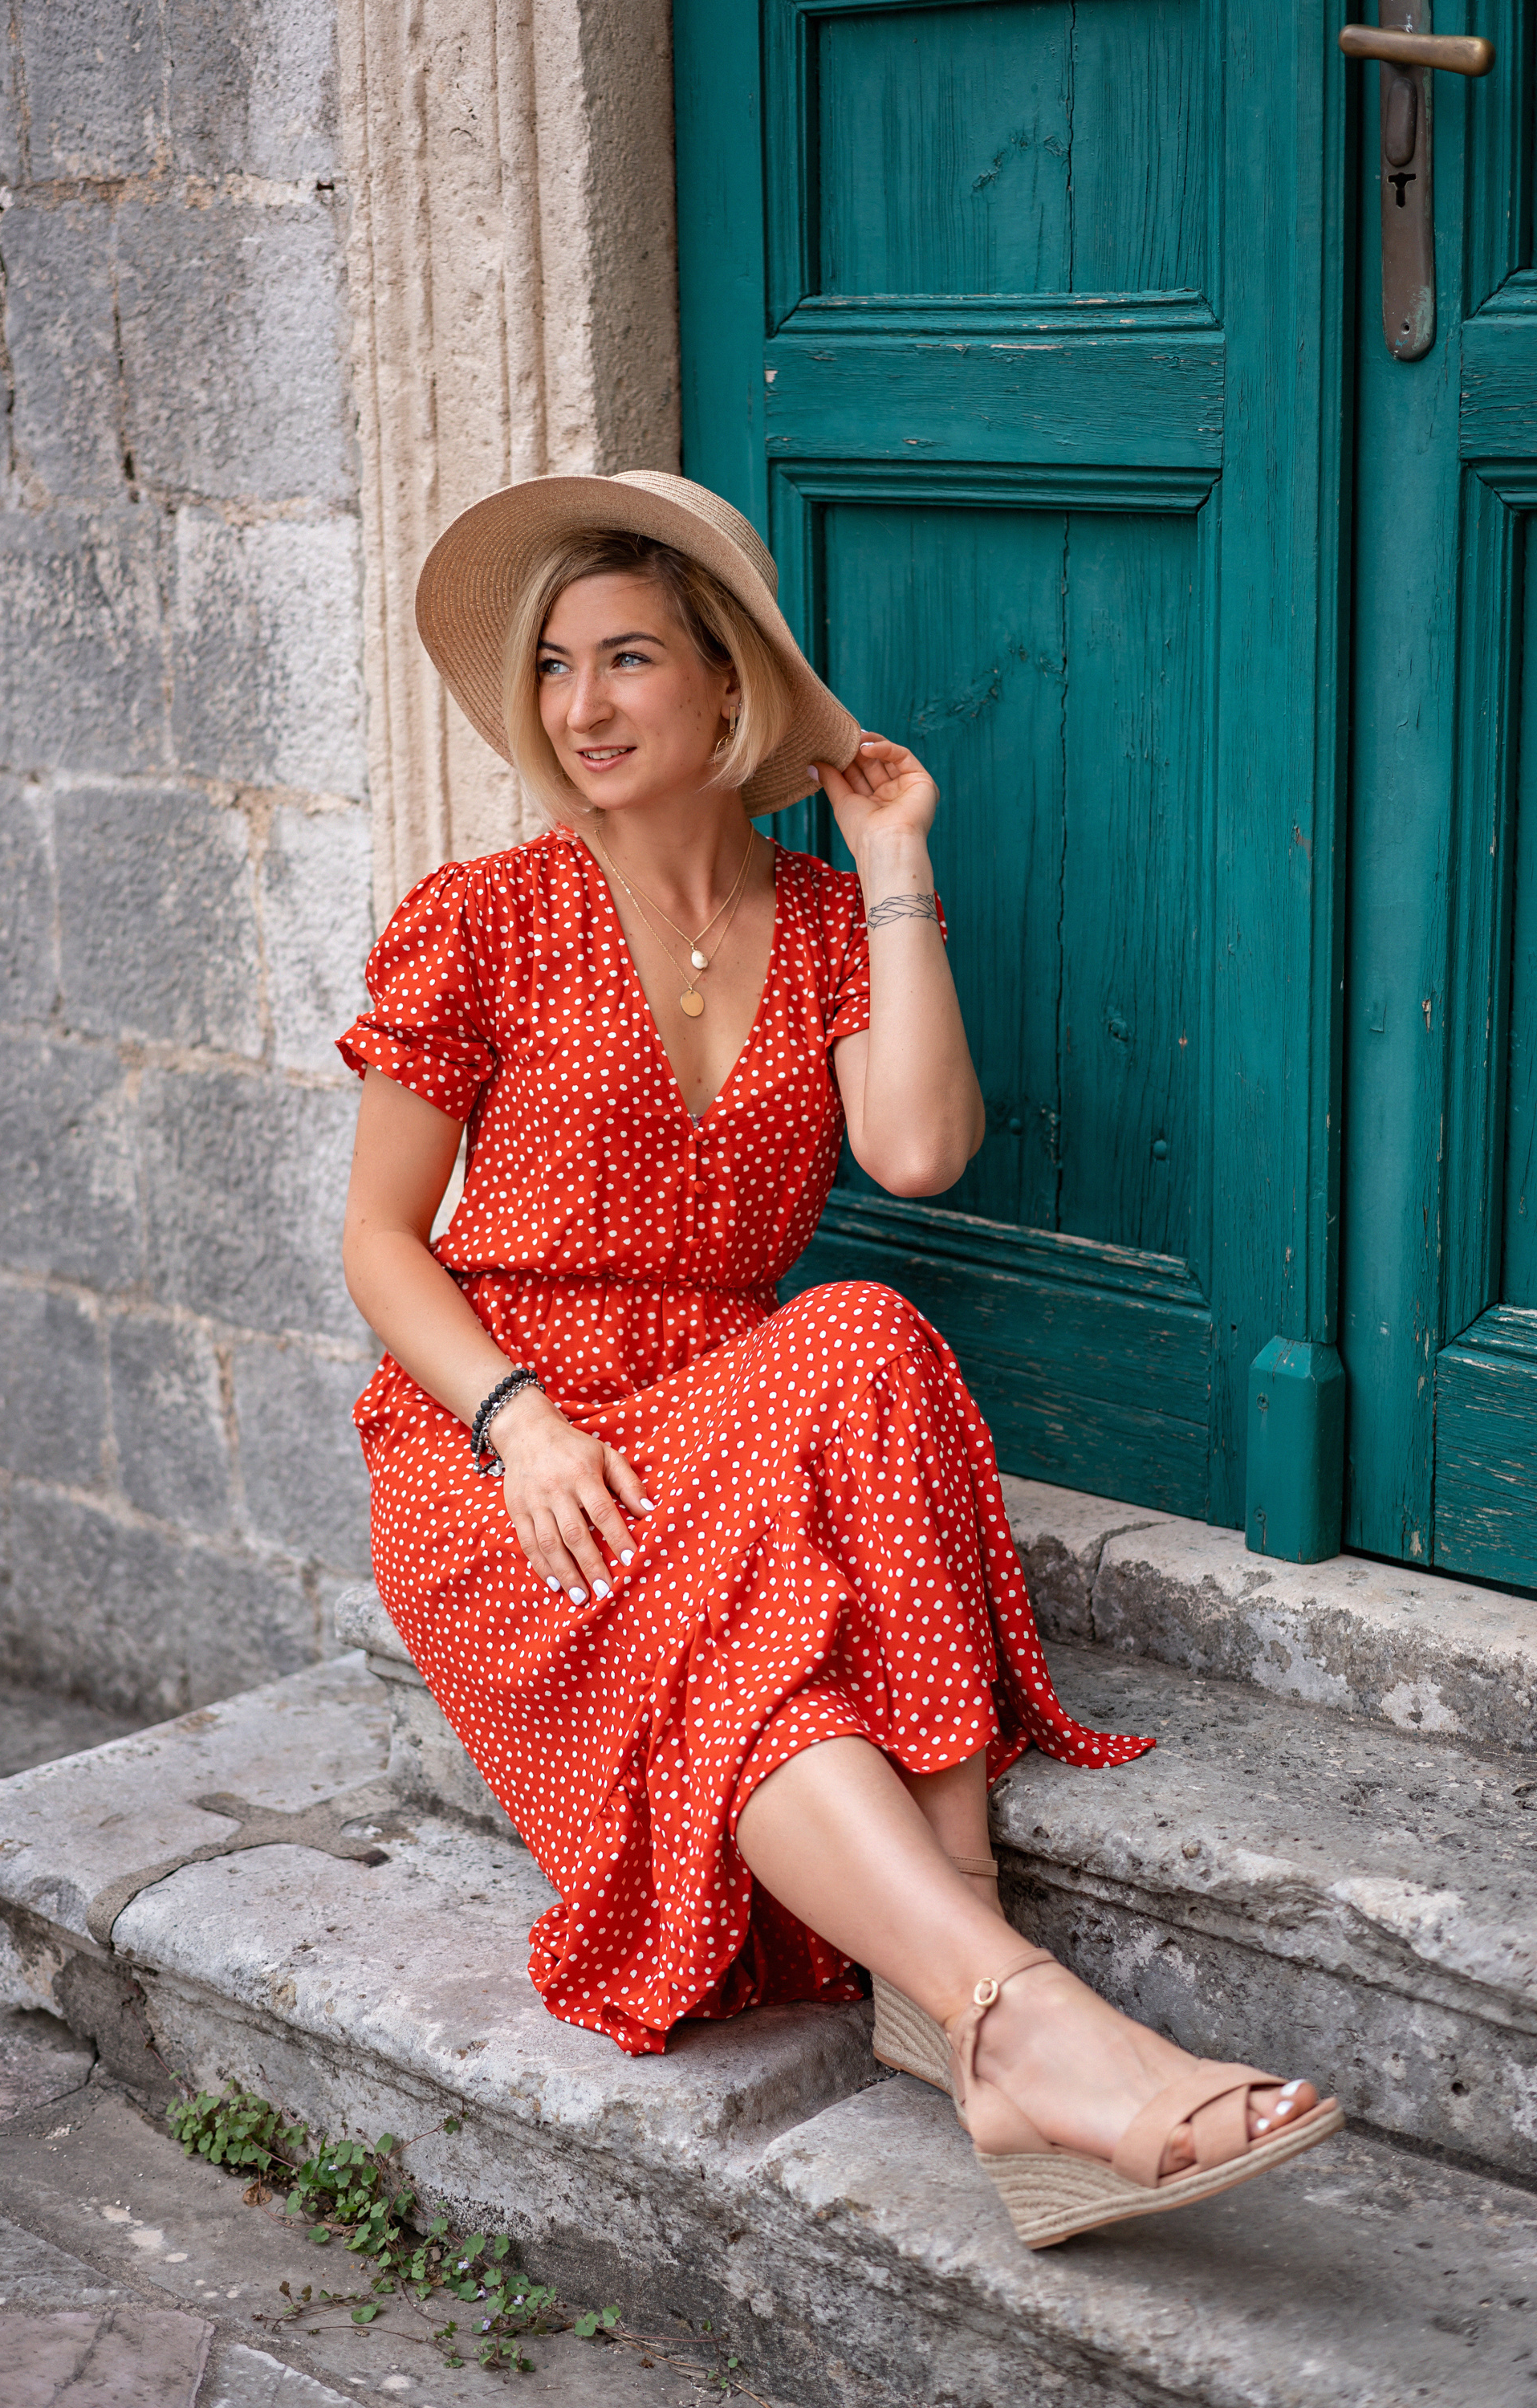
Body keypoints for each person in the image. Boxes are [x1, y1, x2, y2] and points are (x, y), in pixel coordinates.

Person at [339, 470, 1340, 2247]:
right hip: (510, 1449)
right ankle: (1008, 2009)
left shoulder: (816, 924)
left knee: (857, 1346)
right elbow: (377, 1243)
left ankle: (964, 1998)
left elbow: (918, 1154)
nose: (581, 707)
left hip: (727, 1410)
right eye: (557, 666)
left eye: (629, 658)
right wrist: (519, 1423)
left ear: (728, 687)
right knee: (802, 1494)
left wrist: (893, 863)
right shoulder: (478, 916)